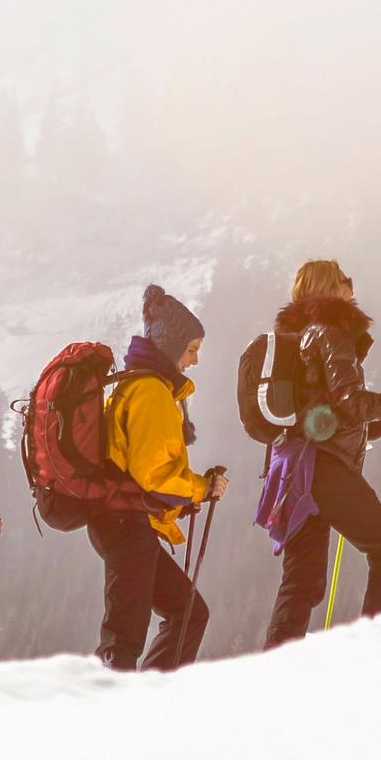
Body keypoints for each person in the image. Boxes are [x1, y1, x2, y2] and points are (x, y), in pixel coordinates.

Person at [257, 259, 381, 644]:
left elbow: (319, 413)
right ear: (330, 287)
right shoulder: (330, 330)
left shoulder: (298, 337)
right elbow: (350, 400)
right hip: (322, 470)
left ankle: (275, 665)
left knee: (302, 582)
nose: (351, 286)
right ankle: (378, 648)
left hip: (291, 470)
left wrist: (373, 426)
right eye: (345, 279)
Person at [94, 284, 220, 672]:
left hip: (123, 522)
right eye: (192, 349)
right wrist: (202, 487)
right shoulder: (150, 392)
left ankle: (145, 701)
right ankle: (117, 713)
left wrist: (192, 494)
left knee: (188, 612)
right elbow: (154, 477)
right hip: (126, 523)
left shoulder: (137, 386)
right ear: (171, 346)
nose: (194, 360)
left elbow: (140, 470)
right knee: (123, 640)